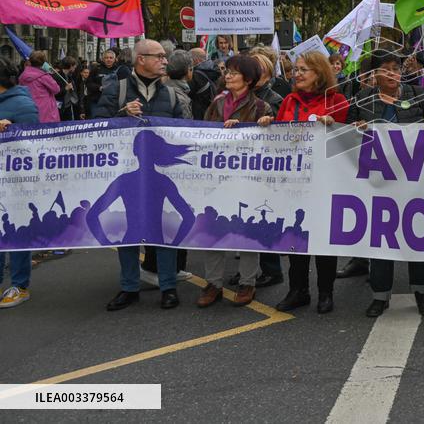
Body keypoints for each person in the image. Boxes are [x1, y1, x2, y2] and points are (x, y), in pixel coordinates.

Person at [92, 39, 188, 310]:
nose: (165, 61)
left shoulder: (170, 94)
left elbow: (184, 128)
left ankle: (168, 287)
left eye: (164, 57)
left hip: (161, 175)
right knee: (130, 231)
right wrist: (122, 114)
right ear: (140, 60)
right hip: (128, 172)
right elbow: (98, 123)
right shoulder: (117, 89)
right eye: (158, 56)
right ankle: (129, 287)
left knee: (163, 230)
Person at [258, 51, 348, 314]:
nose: (296, 74)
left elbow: (345, 143)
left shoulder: (337, 101)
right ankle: (298, 290)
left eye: (303, 70)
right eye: (295, 69)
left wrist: (333, 126)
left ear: (319, 74)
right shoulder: (289, 101)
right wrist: (269, 123)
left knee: (322, 239)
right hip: (294, 181)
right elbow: (280, 135)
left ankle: (325, 292)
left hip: (325, 180)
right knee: (295, 237)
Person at [348, 50, 424, 318]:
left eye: (395, 68)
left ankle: (422, 292)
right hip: (379, 181)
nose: (391, 74)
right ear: (374, 74)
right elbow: (346, 132)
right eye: (385, 69)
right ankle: (380, 295)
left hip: (414, 179)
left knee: (418, 235)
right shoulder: (363, 99)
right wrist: (356, 127)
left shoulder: (415, 94)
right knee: (381, 238)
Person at [197, 55, 273, 309]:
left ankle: (247, 281)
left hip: (247, 179)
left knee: (247, 229)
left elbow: (269, 144)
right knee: (213, 228)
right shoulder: (217, 102)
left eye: (234, 73)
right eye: (227, 72)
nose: (227, 76)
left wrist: (251, 127)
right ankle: (213, 283)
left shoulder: (262, 107)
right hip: (218, 177)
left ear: (249, 80)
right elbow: (203, 134)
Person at [0, 57, 40, 308]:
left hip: (14, 181)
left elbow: (30, 145)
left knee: (14, 231)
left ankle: (19, 284)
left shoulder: (22, 104)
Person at [18, 51, 60, 123]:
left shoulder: (22, 76)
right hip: (45, 112)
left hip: (28, 109)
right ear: (44, 63)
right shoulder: (44, 76)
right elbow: (56, 89)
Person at [163, 50, 195, 119]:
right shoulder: (181, 99)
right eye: (192, 68)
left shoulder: (162, 89)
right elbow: (184, 127)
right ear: (189, 70)